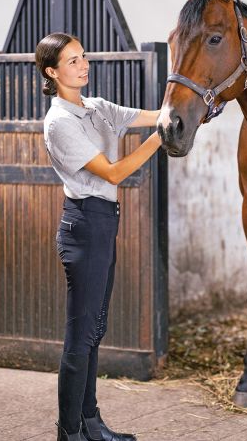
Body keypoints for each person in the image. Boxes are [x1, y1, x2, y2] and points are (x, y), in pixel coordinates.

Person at [35, 32, 161, 441]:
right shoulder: (58, 123)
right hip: (84, 227)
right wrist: (164, 137)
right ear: (52, 72)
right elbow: (112, 172)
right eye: (72, 61)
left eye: (83, 56)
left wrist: (187, 109)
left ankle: (90, 423)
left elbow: (148, 115)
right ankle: (68, 432)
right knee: (79, 336)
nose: (84, 65)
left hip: (105, 221)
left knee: (95, 329)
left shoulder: (95, 106)